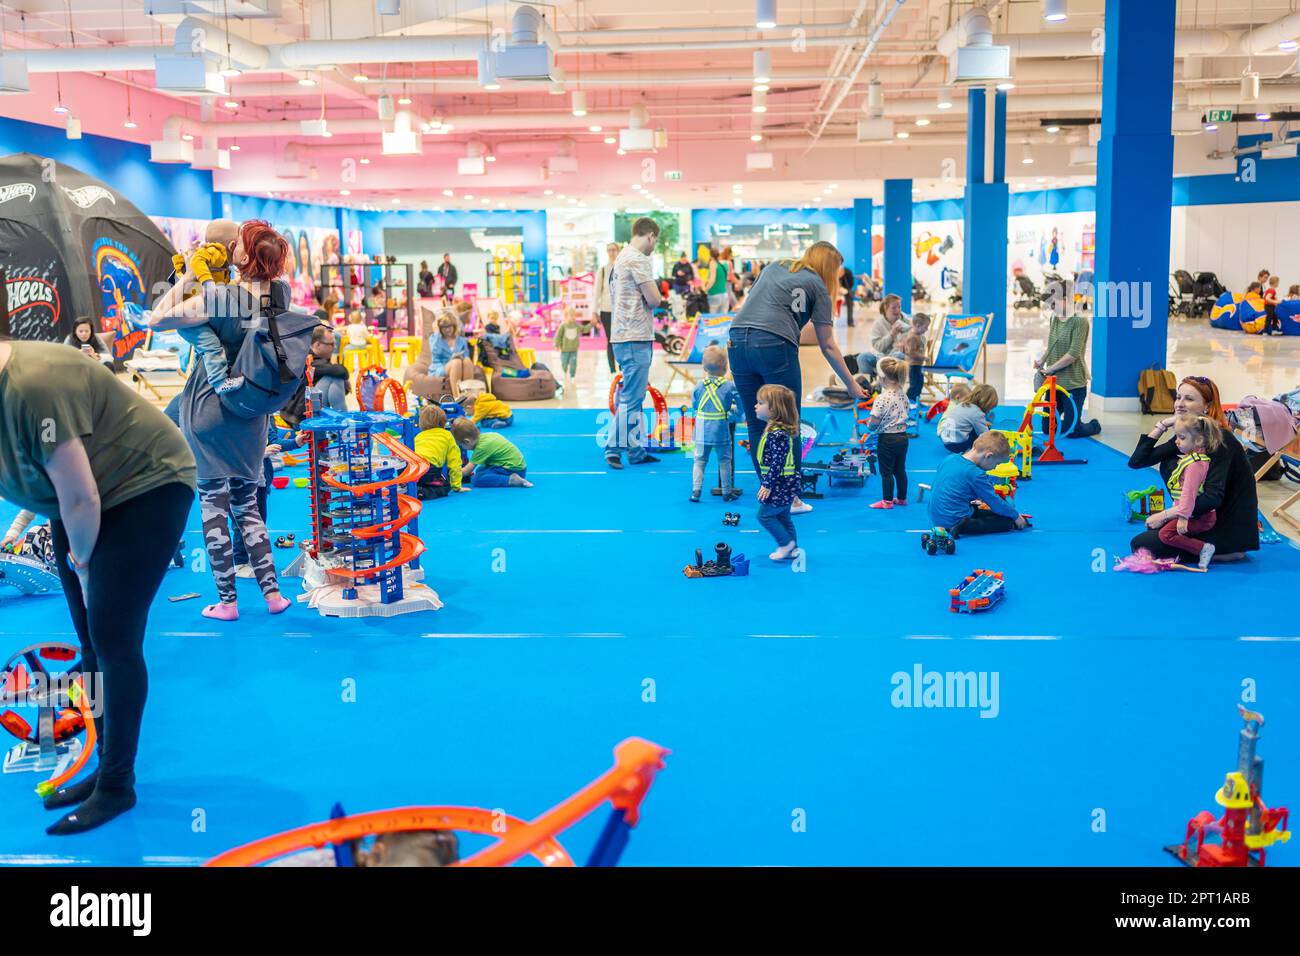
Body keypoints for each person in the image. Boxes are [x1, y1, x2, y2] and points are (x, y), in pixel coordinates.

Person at [0, 338, 196, 834]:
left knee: (112, 635)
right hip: (73, 499)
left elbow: (83, 497)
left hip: (145, 485)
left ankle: (117, 785)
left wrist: (84, 566)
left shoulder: (33, 384)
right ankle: (105, 765)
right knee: (89, 638)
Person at [148, 218, 293, 622]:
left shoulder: (223, 298)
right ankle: (273, 594)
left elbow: (156, 318)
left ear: (240, 254)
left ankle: (227, 602)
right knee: (247, 503)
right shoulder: (280, 293)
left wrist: (192, 274)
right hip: (252, 410)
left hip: (209, 408)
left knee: (213, 502)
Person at [727, 239, 864, 514]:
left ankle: (768, 489)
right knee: (789, 422)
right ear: (829, 268)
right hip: (773, 346)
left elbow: (759, 307)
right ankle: (790, 498)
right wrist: (851, 384)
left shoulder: (775, 266)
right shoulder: (819, 288)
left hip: (736, 339)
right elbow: (827, 345)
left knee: (756, 422)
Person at [1127, 376, 1259, 562]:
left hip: (1227, 524)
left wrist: (1166, 515)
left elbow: (1213, 497)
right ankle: (1186, 519)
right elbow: (1137, 461)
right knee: (1169, 461)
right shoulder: (1191, 433)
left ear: (1207, 406)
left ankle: (1226, 550)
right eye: (1178, 397)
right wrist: (1162, 425)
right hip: (1203, 516)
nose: (1179, 404)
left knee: (1142, 544)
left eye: (1189, 399)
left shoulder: (1220, 439)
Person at [605, 218, 663, 469]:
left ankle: (636, 450)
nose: (654, 246)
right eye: (656, 241)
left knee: (629, 396)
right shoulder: (639, 259)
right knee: (632, 397)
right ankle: (613, 448)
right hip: (635, 336)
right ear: (650, 235)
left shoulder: (621, 258)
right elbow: (654, 299)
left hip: (621, 335)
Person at [169, 219, 240, 394]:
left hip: (190, 317)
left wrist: (233, 282)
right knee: (212, 347)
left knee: (204, 349)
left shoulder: (217, 260)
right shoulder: (216, 252)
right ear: (233, 245)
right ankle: (219, 382)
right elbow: (197, 261)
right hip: (190, 318)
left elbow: (221, 282)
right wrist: (207, 282)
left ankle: (197, 376)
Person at [1141, 414, 1221, 569]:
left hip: (1198, 516)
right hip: (1185, 511)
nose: (1177, 441)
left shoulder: (1195, 465)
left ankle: (1203, 548)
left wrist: (1183, 517)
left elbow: (1189, 493)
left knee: (1166, 534)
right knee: (1155, 528)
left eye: (1182, 438)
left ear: (1198, 441)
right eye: (1176, 436)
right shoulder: (1190, 458)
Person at [929, 431, 1029, 538]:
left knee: (987, 512)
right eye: (997, 463)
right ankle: (961, 526)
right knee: (1006, 523)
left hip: (936, 517)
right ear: (988, 456)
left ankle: (963, 520)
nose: (995, 467)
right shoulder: (975, 473)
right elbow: (994, 502)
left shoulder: (950, 458)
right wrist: (1015, 516)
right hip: (954, 520)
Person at [1033, 288, 1097, 438]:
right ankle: (1070, 421)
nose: (1051, 307)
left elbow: (1073, 354)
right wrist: (1042, 361)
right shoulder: (1054, 318)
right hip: (1054, 383)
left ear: (1065, 299)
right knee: (1047, 429)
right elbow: (1052, 344)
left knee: (1072, 431)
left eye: (1053, 303)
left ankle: (1094, 425)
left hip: (1074, 383)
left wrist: (1051, 369)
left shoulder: (1079, 321)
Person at [754, 384, 803, 562]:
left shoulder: (777, 434)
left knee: (764, 515)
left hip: (780, 483)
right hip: (784, 482)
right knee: (783, 515)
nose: (756, 406)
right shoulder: (774, 430)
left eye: (760, 403)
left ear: (774, 409)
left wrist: (767, 484)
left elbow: (778, 461)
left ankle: (785, 544)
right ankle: (793, 548)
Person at [689, 345, 742, 503]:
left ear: (704, 367)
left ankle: (696, 491)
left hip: (701, 429)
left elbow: (694, 404)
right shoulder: (728, 386)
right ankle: (726, 492)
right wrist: (736, 414)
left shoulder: (699, 385)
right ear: (726, 367)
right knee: (724, 461)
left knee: (699, 461)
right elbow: (740, 403)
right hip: (720, 429)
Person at [865, 357, 912, 510]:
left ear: (882, 377)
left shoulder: (882, 398)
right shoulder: (903, 395)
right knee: (900, 469)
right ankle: (902, 498)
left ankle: (887, 501)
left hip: (887, 439)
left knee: (886, 472)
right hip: (903, 437)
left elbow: (874, 423)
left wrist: (869, 424)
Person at [450, 417, 532, 488]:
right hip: (515, 466)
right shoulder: (487, 436)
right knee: (480, 471)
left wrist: (450, 474)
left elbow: (466, 471)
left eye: (460, 445)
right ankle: (507, 477)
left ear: (467, 441)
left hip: (514, 469)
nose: (461, 447)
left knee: (476, 479)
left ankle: (510, 480)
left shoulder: (481, 448)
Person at [413, 404, 465, 498]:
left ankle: (411, 489)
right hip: (429, 469)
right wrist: (456, 486)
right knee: (445, 486)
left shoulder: (419, 436)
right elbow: (455, 463)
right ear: (444, 421)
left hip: (411, 468)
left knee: (419, 481)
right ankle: (423, 493)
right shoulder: (447, 435)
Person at [856, 293, 910, 380]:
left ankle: (885, 385)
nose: (897, 310)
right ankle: (869, 385)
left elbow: (918, 338)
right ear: (886, 308)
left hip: (899, 356)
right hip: (881, 356)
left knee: (897, 357)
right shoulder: (878, 324)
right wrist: (891, 334)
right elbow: (878, 347)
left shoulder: (907, 321)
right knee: (862, 358)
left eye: (899, 307)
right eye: (894, 308)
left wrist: (906, 343)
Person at [938, 383, 999, 454]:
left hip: (946, 442)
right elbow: (984, 434)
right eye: (990, 408)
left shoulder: (962, 404)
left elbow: (965, 420)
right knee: (985, 433)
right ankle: (969, 450)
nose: (989, 411)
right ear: (986, 404)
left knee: (973, 426)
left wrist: (983, 423)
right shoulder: (977, 413)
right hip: (957, 446)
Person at [427, 312, 477, 397]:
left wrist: (462, 357)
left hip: (460, 364)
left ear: (454, 326)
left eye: (449, 326)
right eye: (443, 327)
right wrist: (436, 332)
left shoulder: (462, 340)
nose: (446, 329)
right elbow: (435, 356)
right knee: (456, 362)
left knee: (467, 361)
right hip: (440, 366)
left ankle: (467, 396)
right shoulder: (435, 338)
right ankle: (457, 397)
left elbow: (466, 356)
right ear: (440, 328)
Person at [594, 242, 619, 374]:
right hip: (606, 310)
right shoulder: (602, 270)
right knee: (610, 340)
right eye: (609, 250)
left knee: (620, 340)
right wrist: (594, 312)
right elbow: (596, 292)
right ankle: (612, 370)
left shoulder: (623, 268)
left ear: (618, 251)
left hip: (621, 311)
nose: (612, 252)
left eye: (614, 250)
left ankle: (622, 368)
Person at [899, 313, 931, 404]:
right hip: (913, 365)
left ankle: (915, 400)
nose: (927, 329)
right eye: (925, 327)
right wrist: (923, 357)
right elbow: (910, 353)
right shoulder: (913, 337)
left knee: (919, 383)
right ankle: (909, 401)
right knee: (915, 385)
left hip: (917, 365)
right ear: (918, 326)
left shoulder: (917, 336)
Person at [554, 306, 583, 382]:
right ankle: (564, 371)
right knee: (564, 363)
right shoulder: (563, 326)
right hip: (564, 349)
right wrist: (557, 345)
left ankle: (572, 376)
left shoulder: (576, 325)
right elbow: (558, 336)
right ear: (566, 317)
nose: (573, 317)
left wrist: (592, 325)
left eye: (574, 315)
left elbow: (584, 329)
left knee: (573, 363)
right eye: (571, 315)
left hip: (574, 349)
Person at [704, 248, 731, 315]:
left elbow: (712, 280)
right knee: (723, 319)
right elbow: (726, 277)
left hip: (714, 294)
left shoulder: (713, 263)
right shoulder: (726, 263)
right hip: (724, 294)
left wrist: (705, 289)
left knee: (713, 319)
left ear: (710, 256)